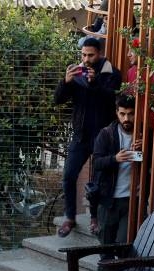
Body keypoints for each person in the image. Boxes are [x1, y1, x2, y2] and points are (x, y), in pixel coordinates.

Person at [54, 37, 122, 237]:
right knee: (68, 175)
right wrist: (65, 82)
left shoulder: (111, 73)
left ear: (99, 53)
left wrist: (94, 83)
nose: (86, 59)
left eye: (90, 55)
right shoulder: (77, 73)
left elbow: (111, 99)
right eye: (83, 55)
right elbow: (58, 100)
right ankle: (69, 218)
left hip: (103, 136)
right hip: (81, 135)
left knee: (98, 180)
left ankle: (94, 217)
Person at [92, 95, 141, 246]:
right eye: (123, 114)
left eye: (131, 113)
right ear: (117, 113)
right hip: (109, 200)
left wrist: (144, 150)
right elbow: (96, 162)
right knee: (105, 249)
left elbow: (153, 163)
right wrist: (115, 159)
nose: (127, 118)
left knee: (124, 246)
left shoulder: (144, 134)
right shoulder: (106, 134)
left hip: (132, 199)